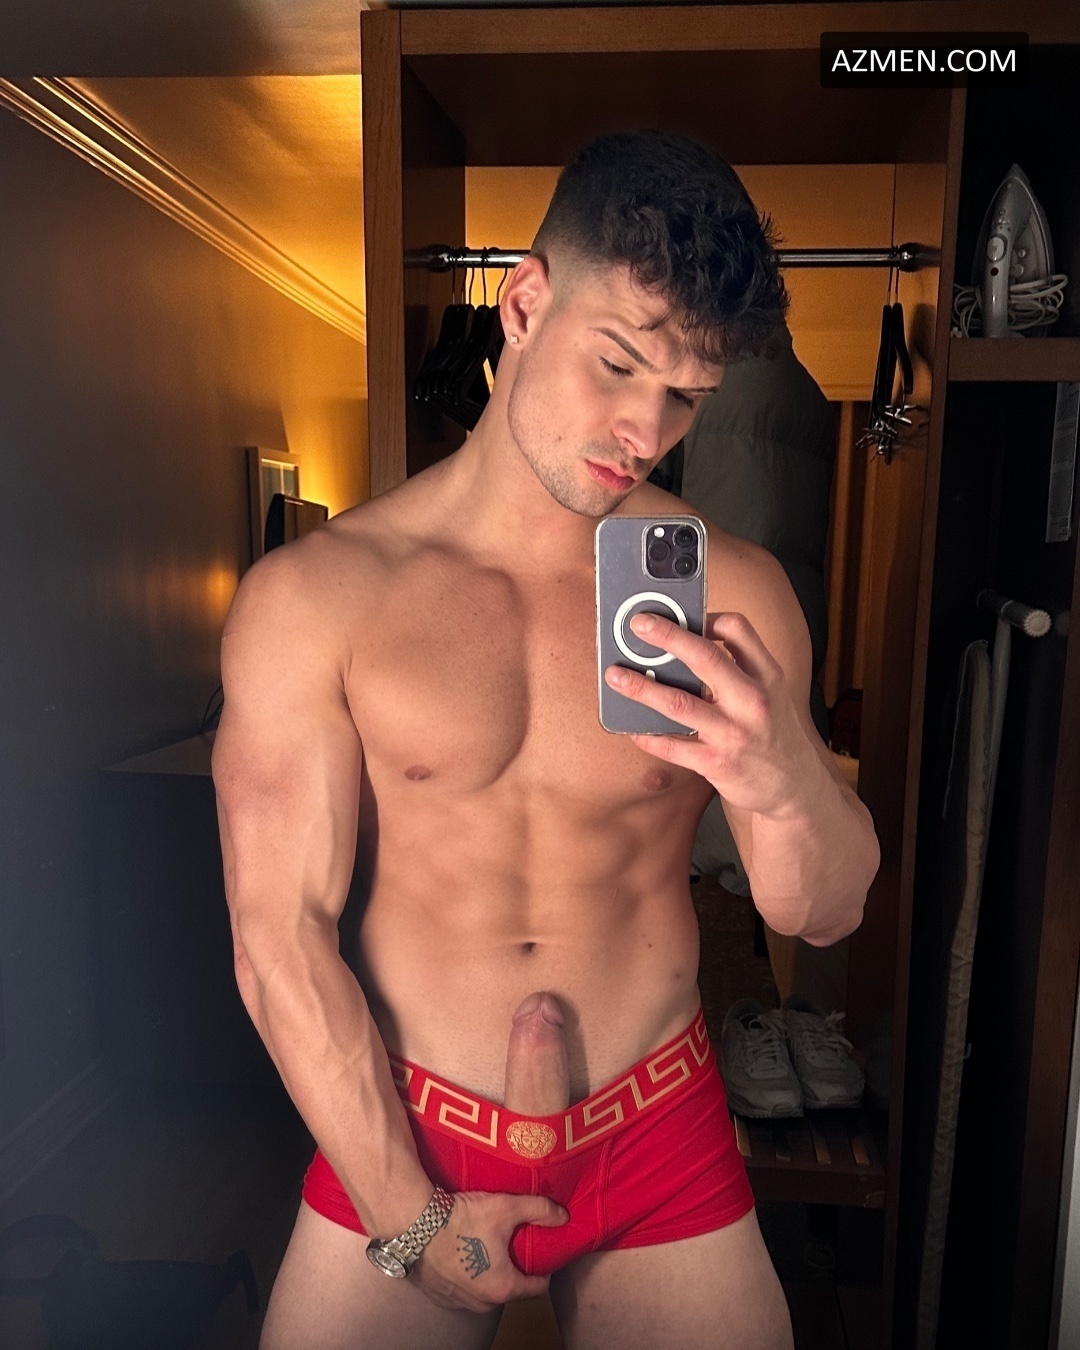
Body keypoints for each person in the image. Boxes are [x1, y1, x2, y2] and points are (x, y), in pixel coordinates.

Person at [211, 131, 881, 1350]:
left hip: (658, 1130)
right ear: (524, 302)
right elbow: (278, 939)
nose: (644, 428)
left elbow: (823, 912)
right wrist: (409, 1217)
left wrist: (784, 778)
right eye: (618, 363)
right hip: (404, 1127)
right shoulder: (317, 599)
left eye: (686, 396)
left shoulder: (734, 593)